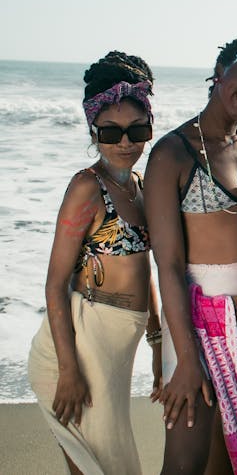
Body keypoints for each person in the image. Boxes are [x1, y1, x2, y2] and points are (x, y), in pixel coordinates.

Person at [144, 36, 237, 474]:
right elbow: (166, 264)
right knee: (184, 461)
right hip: (197, 321)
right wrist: (185, 359)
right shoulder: (172, 153)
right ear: (220, 70)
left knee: (229, 454)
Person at [27, 51, 161, 475]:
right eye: (110, 132)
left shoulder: (142, 187)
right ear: (93, 131)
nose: (125, 142)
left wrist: (157, 343)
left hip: (119, 345)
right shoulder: (87, 188)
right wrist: (69, 370)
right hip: (79, 347)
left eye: (137, 130)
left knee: (110, 464)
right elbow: (54, 284)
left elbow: (145, 269)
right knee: (103, 466)